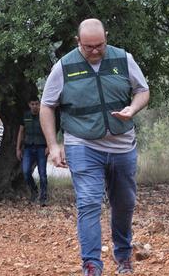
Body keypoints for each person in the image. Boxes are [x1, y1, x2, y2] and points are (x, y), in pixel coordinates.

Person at [40, 18, 149, 276]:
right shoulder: (64, 66)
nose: (95, 51)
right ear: (78, 42)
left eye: (99, 45)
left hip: (122, 144)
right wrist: (53, 145)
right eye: (88, 47)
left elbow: (143, 90)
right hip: (82, 143)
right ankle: (91, 265)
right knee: (88, 202)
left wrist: (132, 108)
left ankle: (122, 255)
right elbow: (46, 105)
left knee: (124, 202)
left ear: (106, 38)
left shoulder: (123, 59)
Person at [16, 98, 49, 205]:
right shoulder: (25, 116)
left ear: (39, 104)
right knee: (26, 172)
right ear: (29, 104)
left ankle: (43, 197)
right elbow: (21, 132)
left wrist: (49, 146)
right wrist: (18, 149)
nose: (34, 106)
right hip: (28, 148)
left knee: (42, 174)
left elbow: (49, 131)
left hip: (41, 147)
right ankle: (34, 192)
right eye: (32, 104)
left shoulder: (44, 115)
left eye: (36, 104)